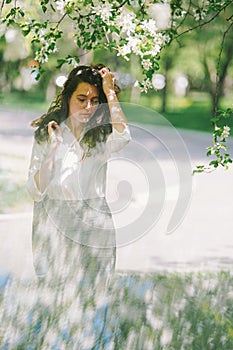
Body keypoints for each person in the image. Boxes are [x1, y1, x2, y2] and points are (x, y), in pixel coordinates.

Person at [26, 64, 131, 286]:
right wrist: (53, 150)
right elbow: (36, 190)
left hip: (94, 216)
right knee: (52, 288)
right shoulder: (49, 132)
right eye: (81, 99)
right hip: (53, 215)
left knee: (95, 288)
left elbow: (123, 136)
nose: (88, 107)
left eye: (94, 101)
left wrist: (110, 91)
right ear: (68, 98)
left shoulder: (102, 135)